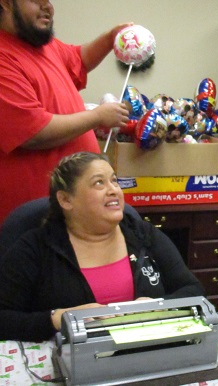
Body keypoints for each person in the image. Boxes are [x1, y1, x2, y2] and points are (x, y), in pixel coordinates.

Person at [0, 152, 205, 341]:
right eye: (99, 183)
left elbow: (194, 291)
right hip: (66, 362)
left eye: (114, 181)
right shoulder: (35, 247)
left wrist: (157, 307)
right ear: (65, 199)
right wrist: (58, 319)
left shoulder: (143, 234)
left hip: (145, 353)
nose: (113, 190)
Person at [0, 0, 131, 225]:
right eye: (35, 0)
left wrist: (111, 38)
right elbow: (33, 133)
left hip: (74, 211)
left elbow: (78, 60)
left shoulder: (44, 45)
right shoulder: (4, 56)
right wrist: (98, 117)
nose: (47, 6)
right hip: (38, 219)